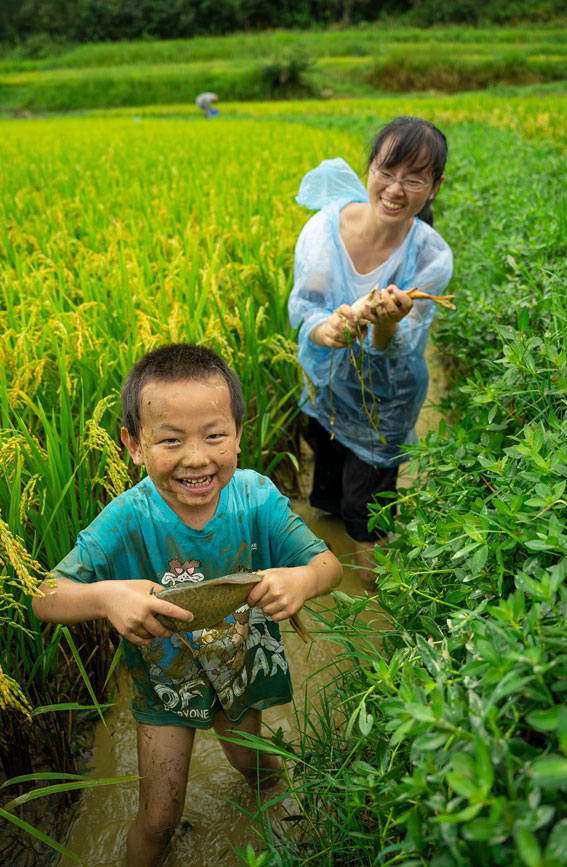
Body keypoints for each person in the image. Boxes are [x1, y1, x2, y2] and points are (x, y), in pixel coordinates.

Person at [32, 343, 342, 867]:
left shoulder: (256, 498)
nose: (196, 458)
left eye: (215, 436)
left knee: (262, 773)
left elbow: (329, 565)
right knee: (158, 818)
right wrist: (108, 595)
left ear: (239, 435)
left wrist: (301, 581)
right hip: (163, 684)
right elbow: (46, 597)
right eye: (170, 440)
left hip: (241, 673)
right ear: (133, 444)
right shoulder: (127, 517)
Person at [288, 116, 453, 584]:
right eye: (386, 171)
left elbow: (396, 348)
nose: (396, 189)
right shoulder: (323, 231)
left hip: (385, 403)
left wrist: (385, 324)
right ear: (369, 169)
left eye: (414, 178)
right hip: (326, 391)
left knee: (366, 516)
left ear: (434, 187)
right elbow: (306, 310)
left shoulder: (430, 257)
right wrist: (330, 331)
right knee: (328, 494)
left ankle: (377, 603)